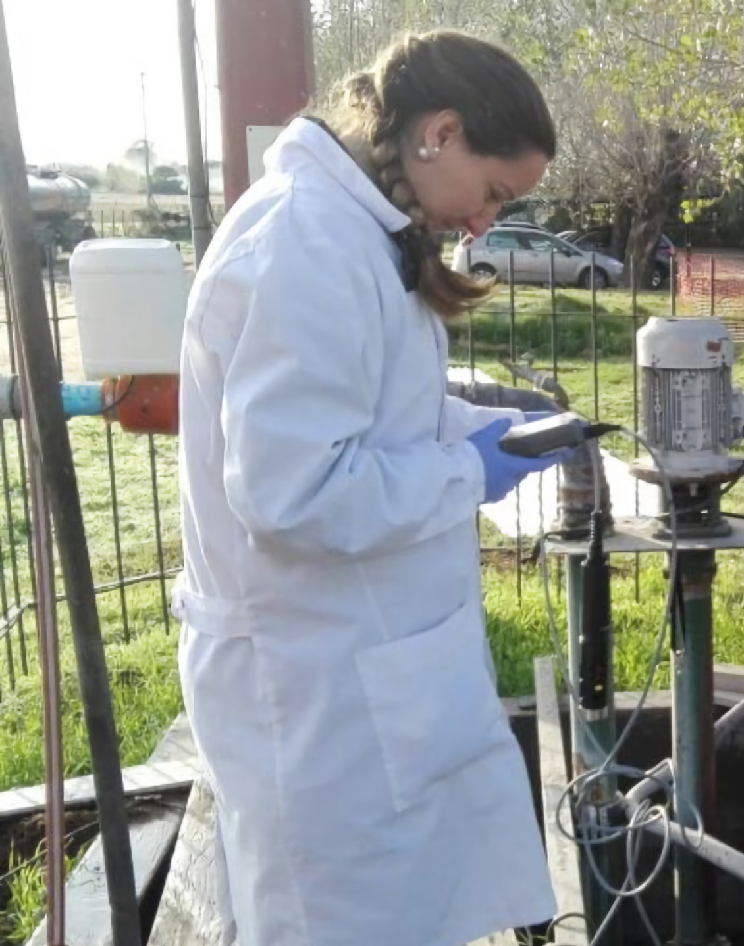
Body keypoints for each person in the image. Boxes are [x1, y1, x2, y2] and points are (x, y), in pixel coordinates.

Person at [172, 32, 569, 946]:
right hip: (311, 688)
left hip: (368, 664)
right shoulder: (302, 245)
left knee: (400, 908)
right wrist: (471, 469)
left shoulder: (356, 230)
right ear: (440, 131)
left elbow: (367, 418)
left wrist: (479, 431)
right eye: (495, 193)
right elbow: (293, 492)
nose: (484, 223)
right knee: (333, 922)